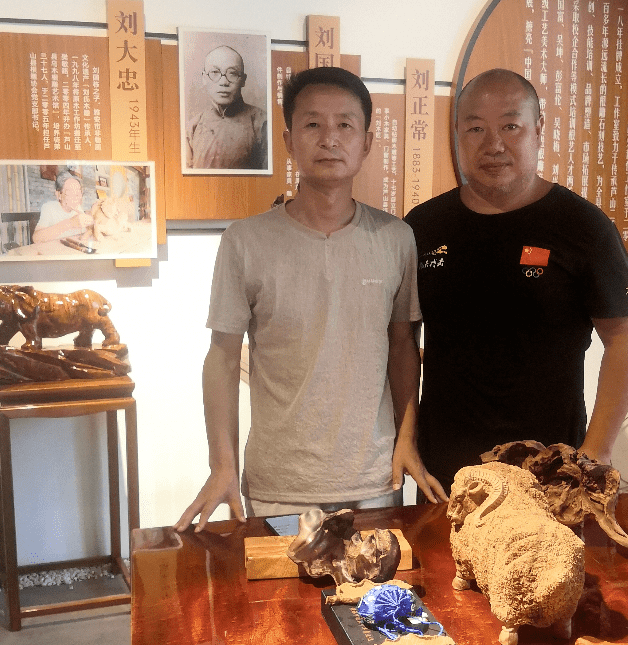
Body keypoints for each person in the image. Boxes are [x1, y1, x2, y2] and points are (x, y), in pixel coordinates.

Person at [175, 66, 445, 530]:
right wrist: (222, 465)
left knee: (379, 580)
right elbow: (221, 357)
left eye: (345, 125)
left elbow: (402, 345)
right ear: (288, 140)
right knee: (282, 581)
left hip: (375, 478)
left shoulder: (396, 238)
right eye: (313, 124)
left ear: (367, 142)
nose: (330, 139)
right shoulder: (245, 241)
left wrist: (407, 440)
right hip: (279, 484)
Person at [404, 68, 628, 493]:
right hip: (446, 473)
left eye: (510, 126)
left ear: (538, 129)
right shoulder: (424, 226)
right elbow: (402, 341)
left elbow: (626, 339)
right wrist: (405, 439)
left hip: (550, 472)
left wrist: (596, 452)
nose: (493, 144)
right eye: (475, 128)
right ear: (458, 134)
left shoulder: (583, 227)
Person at [186, 45, 268, 170]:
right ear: (204, 78)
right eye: (215, 73)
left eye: (233, 73)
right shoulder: (193, 127)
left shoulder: (262, 123)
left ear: (243, 80)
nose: (224, 82)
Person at [32, 172, 93, 244]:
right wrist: (70, 223)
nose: (76, 196)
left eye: (78, 191)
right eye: (70, 191)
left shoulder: (78, 209)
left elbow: (86, 235)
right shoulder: (49, 208)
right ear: (59, 195)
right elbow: (36, 238)